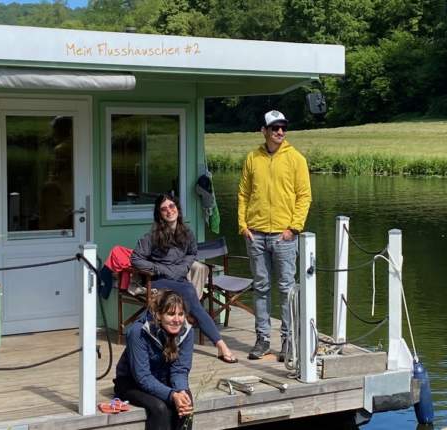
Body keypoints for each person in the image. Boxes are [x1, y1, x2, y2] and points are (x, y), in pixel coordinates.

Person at [236, 109, 311, 361]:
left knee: (287, 288)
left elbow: (304, 197)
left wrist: (293, 228)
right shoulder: (252, 158)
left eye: (283, 128)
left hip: (284, 236)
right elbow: (243, 194)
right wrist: (242, 225)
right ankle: (263, 339)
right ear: (264, 131)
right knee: (261, 288)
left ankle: (289, 341)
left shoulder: (296, 159)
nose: (280, 132)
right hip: (255, 234)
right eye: (275, 128)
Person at [131, 193, 240, 363]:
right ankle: (221, 346)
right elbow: (136, 259)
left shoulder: (187, 233)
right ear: (159, 214)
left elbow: (192, 253)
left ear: (177, 209)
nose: (169, 211)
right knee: (191, 296)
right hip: (160, 280)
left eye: (172, 206)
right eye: (164, 209)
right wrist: (159, 268)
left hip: (180, 280)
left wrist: (184, 267)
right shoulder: (153, 236)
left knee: (190, 296)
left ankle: (216, 343)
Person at [114, 290, 195, 430]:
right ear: (158, 315)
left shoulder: (187, 331)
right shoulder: (138, 332)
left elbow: (180, 369)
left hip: (164, 378)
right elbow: (143, 377)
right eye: (170, 314)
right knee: (160, 408)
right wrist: (171, 395)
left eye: (180, 314)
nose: (177, 320)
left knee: (186, 401)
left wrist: (180, 390)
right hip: (132, 382)